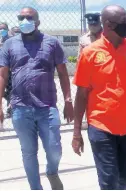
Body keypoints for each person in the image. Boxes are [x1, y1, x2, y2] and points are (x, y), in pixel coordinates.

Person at [72, 5, 126, 190]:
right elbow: (81, 94)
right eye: (124, 23)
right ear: (108, 25)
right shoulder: (90, 53)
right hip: (100, 125)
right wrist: (76, 131)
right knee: (109, 181)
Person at [0, 7, 74, 190]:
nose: (24, 21)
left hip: (47, 107)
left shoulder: (51, 43)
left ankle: (52, 171)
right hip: (20, 108)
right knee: (28, 152)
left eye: (29, 17)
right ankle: (36, 187)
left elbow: (64, 74)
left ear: (38, 21)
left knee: (54, 149)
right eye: (21, 18)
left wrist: (68, 101)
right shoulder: (9, 45)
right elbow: (2, 76)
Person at [0, 22, 12, 119]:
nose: (1, 30)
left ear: (7, 30)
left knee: (11, 89)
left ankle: (10, 110)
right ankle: (10, 99)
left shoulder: (10, 40)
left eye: (3, 28)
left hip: (8, 69)